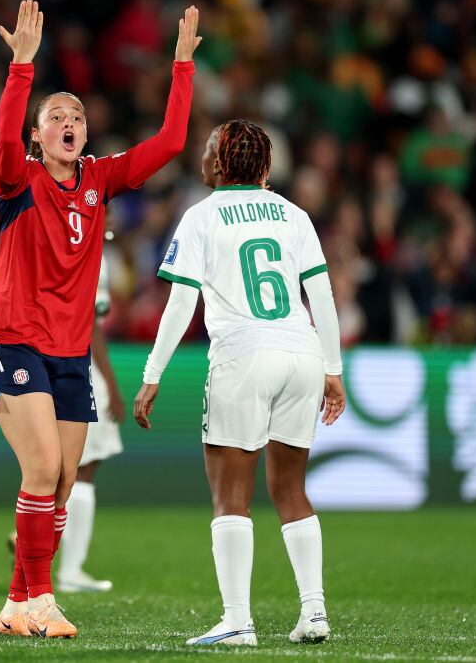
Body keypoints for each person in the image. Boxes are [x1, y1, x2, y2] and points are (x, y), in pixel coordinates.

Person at [0, 0, 200, 639]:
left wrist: (181, 66)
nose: (69, 122)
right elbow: (3, 137)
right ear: (38, 135)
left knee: (64, 483)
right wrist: (22, 68)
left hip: (70, 349)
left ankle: (17, 603)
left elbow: (171, 143)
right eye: (56, 116)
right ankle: (43, 598)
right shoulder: (18, 179)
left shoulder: (100, 179)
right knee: (42, 469)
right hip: (14, 339)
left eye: (76, 115)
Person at [133, 120, 346, 647]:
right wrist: (333, 369)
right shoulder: (295, 215)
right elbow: (321, 296)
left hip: (243, 354)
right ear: (265, 167)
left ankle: (236, 621)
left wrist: (152, 373)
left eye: (210, 150)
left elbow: (181, 302)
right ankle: (314, 613)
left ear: (222, 163)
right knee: (291, 489)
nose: (203, 159)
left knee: (230, 495)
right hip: (302, 352)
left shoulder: (201, 215)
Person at [57, 255, 124, 593]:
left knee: (58, 469)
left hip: (47, 361)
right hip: (78, 364)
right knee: (82, 469)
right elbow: (90, 324)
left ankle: (31, 542)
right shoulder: (92, 250)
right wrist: (111, 382)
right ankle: (71, 570)